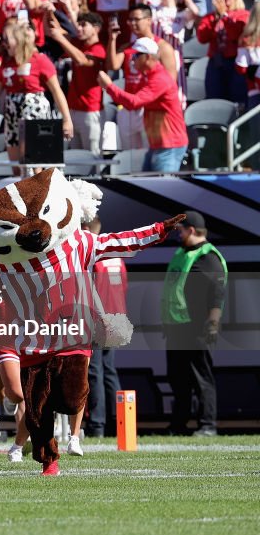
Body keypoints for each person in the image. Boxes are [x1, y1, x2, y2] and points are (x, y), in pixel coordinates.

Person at [161, 211, 226, 437]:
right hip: (177, 327)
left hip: (197, 328)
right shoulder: (182, 253)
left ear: (191, 230)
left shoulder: (208, 257)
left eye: (180, 230)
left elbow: (217, 293)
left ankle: (208, 425)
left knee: (201, 378)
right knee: (178, 378)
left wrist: (213, 323)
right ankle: (178, 424)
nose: (177, 234)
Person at [0, 18, 74, 172]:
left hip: (34, 112)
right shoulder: (7, 62)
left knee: (34, 167)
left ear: (18, 39)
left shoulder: (39, 60)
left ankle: (36, 195)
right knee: (17, 167)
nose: (3, 43)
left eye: (7, 39)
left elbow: (56, 91)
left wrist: (67, 120)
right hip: (12, 115)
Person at [99, 37, 189, 172]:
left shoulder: (159, 79)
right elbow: (130, 104)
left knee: (162, 189)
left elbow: (134, 102)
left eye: (135, 55)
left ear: (147, 57)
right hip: (159, 145)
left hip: (169, 146)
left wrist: (109, 87)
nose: (132, 59)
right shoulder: (148, 77)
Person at [83, 217, 123, 440]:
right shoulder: (115, 255)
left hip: (99, 319)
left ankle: (97, 425)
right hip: (117, 318)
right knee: (109, 371)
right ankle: (119, 422)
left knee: (95, 372)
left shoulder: (92, 255)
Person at [48, 12, 107, 156]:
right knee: (76, 156)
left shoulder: (99, 48)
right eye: (78, 25)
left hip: (91, 111)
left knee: (93, 158)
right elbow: (53, 29)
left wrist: (61, 39)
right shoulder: (79, 44)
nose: (79, 29)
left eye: (83, 25)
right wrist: (49, 11)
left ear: (96, 29)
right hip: (74, 109)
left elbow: (82, 60)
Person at [196, 0, 250, 105]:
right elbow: (202, 38)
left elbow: (237, 35)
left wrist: (224, 16)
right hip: (216, 63)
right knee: (214, 100)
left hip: (236, 63)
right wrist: (217, 19)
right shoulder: (211, 17)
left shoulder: (244, 15)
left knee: (238, 101)